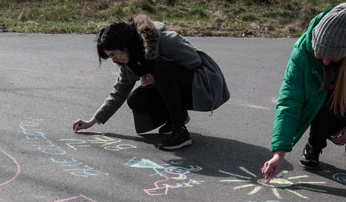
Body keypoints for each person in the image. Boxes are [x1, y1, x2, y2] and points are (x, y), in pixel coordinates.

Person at [262, 2, 346, 182]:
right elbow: (289, 101)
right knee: (322, 101)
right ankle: (314, 146)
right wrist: (279, 153)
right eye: (320, 54)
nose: (324, 62)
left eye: (331, 57)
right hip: (324, 103)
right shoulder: (302, 51)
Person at [72, 14, 229, 151]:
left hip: (205, 83)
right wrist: (92, 121)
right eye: (110, 57)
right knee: (135, 100)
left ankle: (180, 132)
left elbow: (195, 61)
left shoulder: (164, 40)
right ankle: (178, 117)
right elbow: (118, 93)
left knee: (161, 71)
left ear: (124, 45)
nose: (114, 60)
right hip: (179, 83)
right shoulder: (128, 63)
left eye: (113, 54)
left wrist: (159, 75)